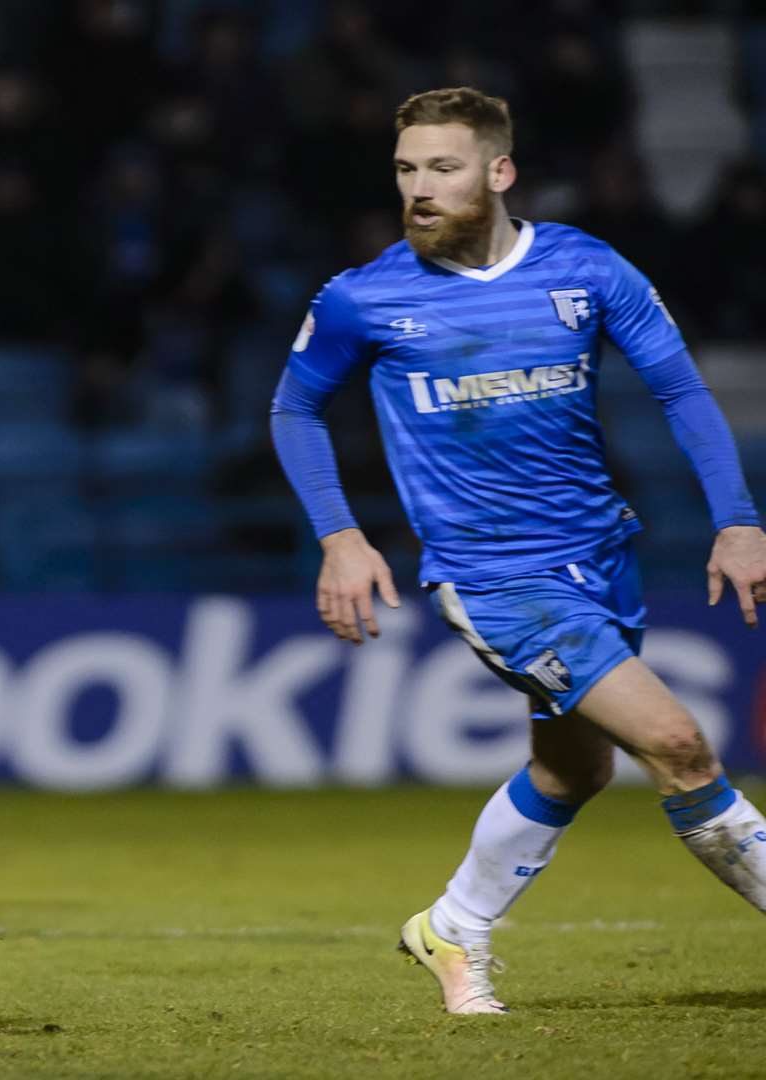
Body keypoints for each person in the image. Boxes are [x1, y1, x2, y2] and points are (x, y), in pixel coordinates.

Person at [270, 87, 766, 1016]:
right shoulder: (364, 297)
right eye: (407, 170)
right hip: (494, 575)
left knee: (573, 770)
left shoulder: (587, 269)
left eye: (442, 169)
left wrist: (737, 518)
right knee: (680, 748)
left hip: (601, 555)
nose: (419, 189)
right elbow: (293, 408)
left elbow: (682, 391)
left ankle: (452, 928)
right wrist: (340, 536)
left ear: (499, 172)